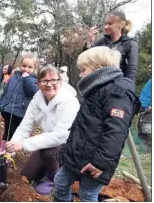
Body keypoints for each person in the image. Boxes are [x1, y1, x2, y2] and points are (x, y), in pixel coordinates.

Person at [54, 46, 140, 202]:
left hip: (96, 160)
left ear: (98, 69)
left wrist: (100, 163)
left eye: (83, 70)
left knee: (87, 193)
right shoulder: (96, 89)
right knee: (60, 182)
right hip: (78, 154)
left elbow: (116, 132)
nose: (80, 74)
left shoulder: (117, 93)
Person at [5, 65, 80, 195]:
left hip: (70, 145)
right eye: (44, 81)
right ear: (38, 83)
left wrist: (23, 145)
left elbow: (60, 136)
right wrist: (12, 148)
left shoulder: (70, 102)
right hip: (50, 142)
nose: (49, 84)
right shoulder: (36, 101)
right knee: (27, 176)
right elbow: (25, 127)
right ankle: (53, 166)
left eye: (53, 80)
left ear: (60, 82)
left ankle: (54, 179)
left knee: (49, 153)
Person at [0, 54, 39, 158]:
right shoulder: (14, 77)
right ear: (20, 65)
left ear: (34, 68)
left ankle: (10, 153)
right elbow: (5, 91)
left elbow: (33, 92)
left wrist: (26, 78)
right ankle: (1, 149)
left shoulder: (33, 80)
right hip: (8, 109)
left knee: (14, 133)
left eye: (30, 67)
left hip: (20, 112)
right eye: (24, 65)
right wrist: (0, 103)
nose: (26, 69)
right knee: (7, 130)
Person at [85, 11, 138, 88]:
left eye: (110, 24)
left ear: (122, 24)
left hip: (118, 88)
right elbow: (86, 61)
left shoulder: (130, 44)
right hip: (98, 87)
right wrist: (90, 41)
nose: (106, 27)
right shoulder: (101, 42)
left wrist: (126, 93)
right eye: (105, 23)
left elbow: (131, 74)